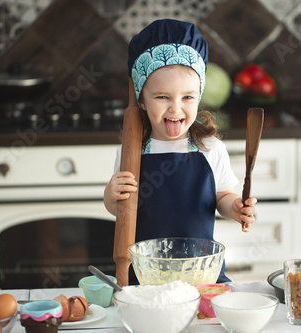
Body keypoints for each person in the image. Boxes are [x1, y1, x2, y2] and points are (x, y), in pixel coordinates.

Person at [104, 19, 257, 284]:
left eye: (187, 97)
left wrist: (234, 207)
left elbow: (222, 195)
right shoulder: (131, 152)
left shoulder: (210, 148)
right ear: (142, 99)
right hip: (145, 275)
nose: (176, 108)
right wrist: (110, 194)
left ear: (200, 96)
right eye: (162, 97)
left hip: (200, 273)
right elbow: (118, 210)